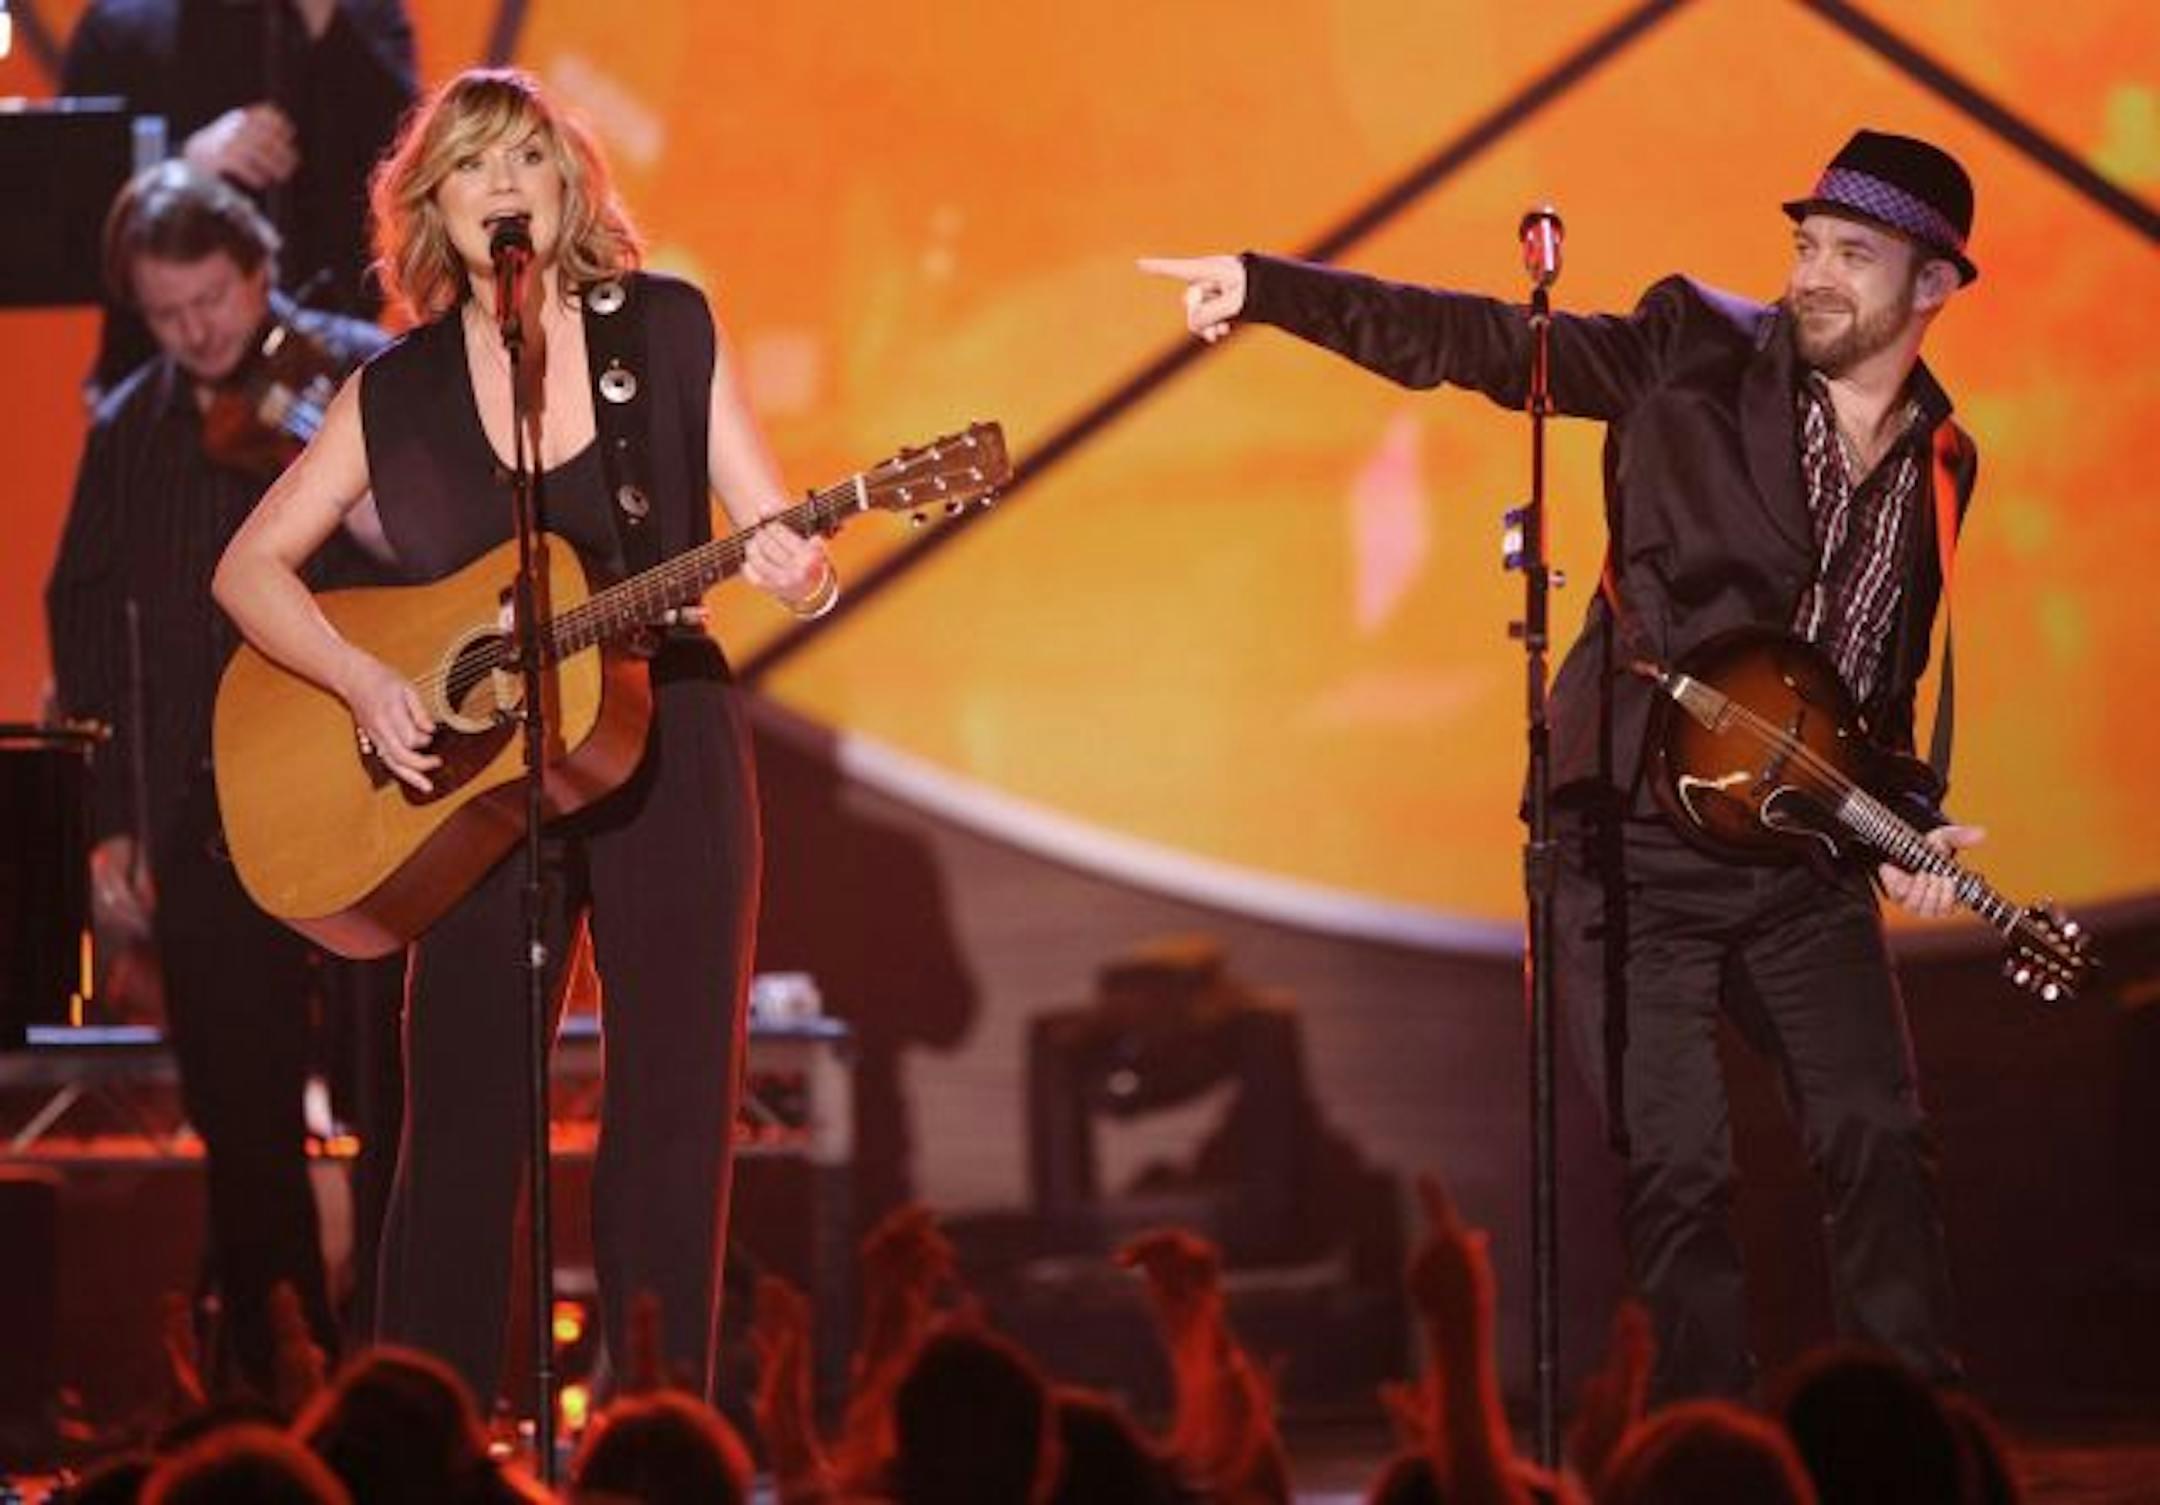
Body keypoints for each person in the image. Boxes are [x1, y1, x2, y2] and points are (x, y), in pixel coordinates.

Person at [1141, 128, 1985, 1401]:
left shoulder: (1942, 462)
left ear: (1933, 287)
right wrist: (1275, 289)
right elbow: (1481, 344)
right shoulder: (1693, 347)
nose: (1813, 274)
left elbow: (1870, 689)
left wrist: (1907, 824)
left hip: (1797, 868)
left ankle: (1912, 1446)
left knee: (1877, 1136)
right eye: (1806, 245)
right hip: (1630, 839)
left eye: (1853, 256)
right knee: (1682, 1173)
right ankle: (1716, 1462)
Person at [211, 68, 836, 1405]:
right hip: (475, 784)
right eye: (476, 167)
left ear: (570, 189)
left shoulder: (664, 331)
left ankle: (654, 1428)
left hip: (668, 727)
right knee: (460, 1123)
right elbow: (250, 569)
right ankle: (415, 1438)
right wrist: (363, 682)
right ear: (431, 205)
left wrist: (801, 570)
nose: (506, 188)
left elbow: (764, 513)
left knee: (672, 1110)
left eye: (531, 162)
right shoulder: (397, 392)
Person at [45, 159, 392, 1396]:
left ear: (259, 272)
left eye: (213, 300)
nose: (196, 330)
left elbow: (427, 542)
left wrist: (303, 413)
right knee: (242, 1111)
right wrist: (112, 825)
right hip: (206, 811)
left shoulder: (354, 372)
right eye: (166, 310)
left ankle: (402, 1376)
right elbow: (82, 616)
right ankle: (277, 1372)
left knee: (386, 1087)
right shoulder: (129, 425)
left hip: (371, 787)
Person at [61, 0, 417, 397]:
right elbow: (70, 204)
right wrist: (184, 159)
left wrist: (327, 26)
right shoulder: (122, 22)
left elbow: (407, 161)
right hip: (159, 380)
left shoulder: (364, 15)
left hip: (323, 366)